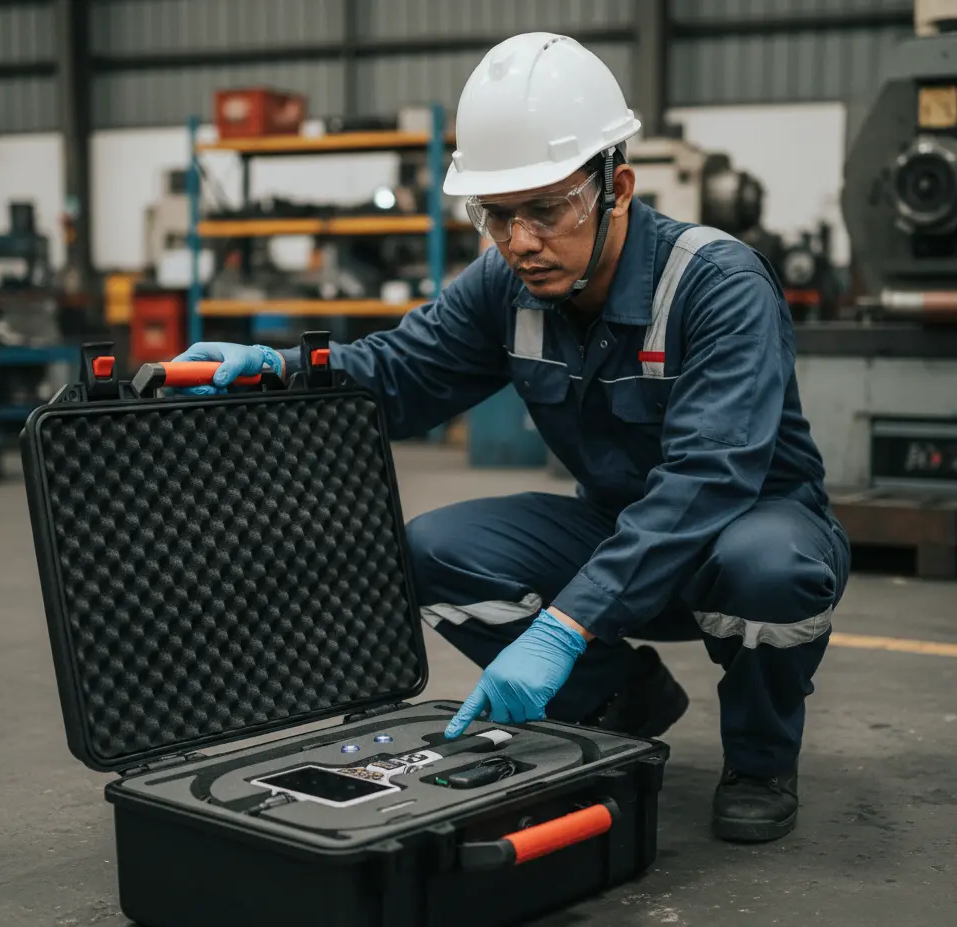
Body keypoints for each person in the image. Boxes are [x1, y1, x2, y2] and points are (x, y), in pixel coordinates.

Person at [171, 33, 850, 843]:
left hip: (741, 530)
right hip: (614, 529)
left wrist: (563, 628)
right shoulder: (508, 283)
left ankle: (761, 757)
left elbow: (709, 479)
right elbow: (398, 372)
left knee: (766, 569)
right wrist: (275, 370)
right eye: (496, 215)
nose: (520, 241)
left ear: (617, 187)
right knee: (434, 547)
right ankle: (619, 701)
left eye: (547, 209)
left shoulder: (718, 286)